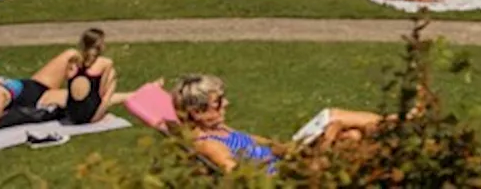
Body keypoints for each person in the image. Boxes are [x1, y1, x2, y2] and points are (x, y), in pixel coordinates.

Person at [172, 74, 414, 174]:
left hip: (290, 160)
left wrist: (294, 149)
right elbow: (239, 177)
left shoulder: (219, 130)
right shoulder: (208, 144)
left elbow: (266, 143)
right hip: (290, 176)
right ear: (197, 112)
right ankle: (406, 125)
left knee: (337, 123)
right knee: (342, 129)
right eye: (218, 102)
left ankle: (402, 129)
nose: (227, 104)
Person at [65, 28, 156, 125]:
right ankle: (141, 93)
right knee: (112, 76)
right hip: (90, 117)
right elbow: (101, 94)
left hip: (72, 115)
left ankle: (136, 94)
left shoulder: (73, 61)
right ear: (99, 45)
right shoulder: (105, 63)